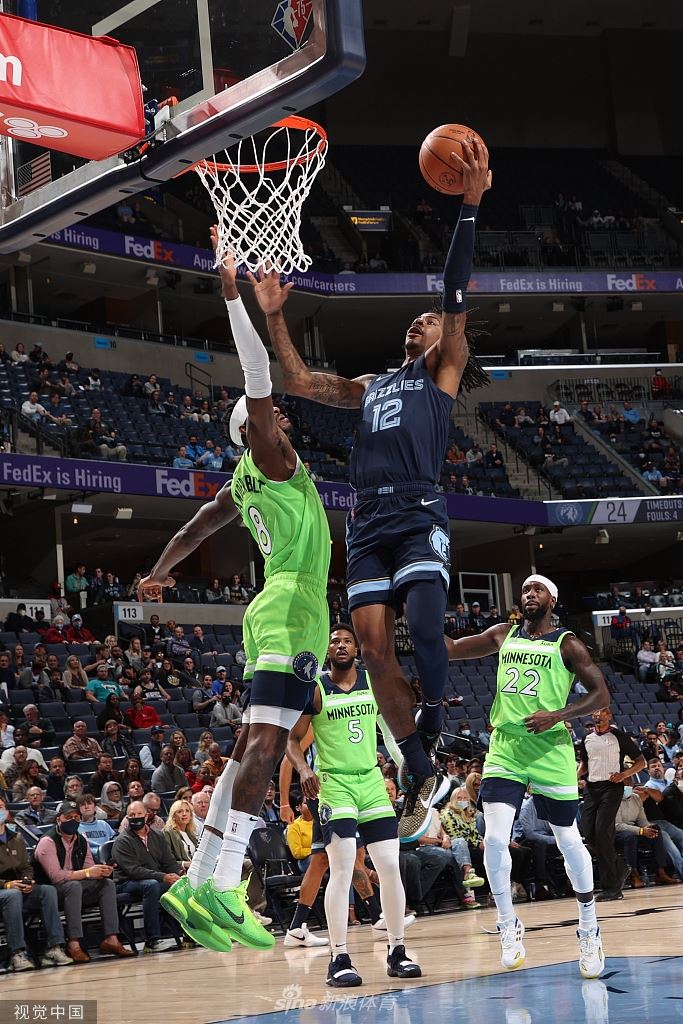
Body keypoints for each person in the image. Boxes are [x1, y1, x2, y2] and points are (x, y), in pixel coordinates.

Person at [250, 140, 491, 844]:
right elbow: (299, 382)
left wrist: (470, 204)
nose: (419, 322)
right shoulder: (372, 385)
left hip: (417, 507)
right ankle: (420, 763)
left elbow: (454, 290)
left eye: (429, 320)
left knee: (425, 627)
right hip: (368, 521)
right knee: (374, 649)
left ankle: (435, 722)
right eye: (414, 320)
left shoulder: (443, 370)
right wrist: (274, 314)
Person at [138, 228, 332, 954]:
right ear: (253, 431)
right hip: (292, 605)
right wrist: (232, 298)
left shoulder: (240, 485)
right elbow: (256, 370)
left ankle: (200, 881)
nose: (282, 419)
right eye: (269, 417)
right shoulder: (271, 458)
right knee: (267, 744)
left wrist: (160, 571)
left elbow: (193, 528)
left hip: (275, 607)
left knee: (251, 744)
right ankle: (222, 882)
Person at [445, 574, 611, 978]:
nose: (529, 594)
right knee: (495, 838)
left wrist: (558, 714)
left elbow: (601, 694)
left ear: (552, 599)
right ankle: (508, 924)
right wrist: (419, 611)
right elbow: (449, 649)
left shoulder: (567, 644)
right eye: (524, 590)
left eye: (537, 589)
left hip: (550, 747)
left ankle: (589, 928)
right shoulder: (503, 634)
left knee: (569, 840)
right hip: (506, 747)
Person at [285, 625, 421, 986]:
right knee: (342, 867)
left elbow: (389, 732)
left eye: (347, 640)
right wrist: (303, 769)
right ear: (327, 650)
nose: (341, 644)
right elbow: (292, 738)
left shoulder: (372, 683)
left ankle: (397, 951)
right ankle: (339, 958)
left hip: (372, 782)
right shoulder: (316, 688)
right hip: (334, 785)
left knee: (389, 866)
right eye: (334, 641)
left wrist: (406, 766)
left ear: (356, 649)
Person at [34, 800, 134, 962]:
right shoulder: (48, 841)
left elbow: (89, 868)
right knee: (73, 886)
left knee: (106, 884)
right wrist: (87, 873)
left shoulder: (81, 840)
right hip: (49, 891)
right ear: (59, 819)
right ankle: (73, 943)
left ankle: (111, 938)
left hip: (75, 888)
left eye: (76, 817)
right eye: (68, 817)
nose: (73, 820)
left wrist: (101, 872)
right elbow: (56, 877)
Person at [577, 708, 646, 900]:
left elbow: (641, 762)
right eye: (594, 712)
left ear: (609, 715)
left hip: (611, 787)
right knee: (589, 834)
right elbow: (584, 764)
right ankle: (620, 867)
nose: (597, 715)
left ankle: (612, 888)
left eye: (601, 712)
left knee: (602, 833)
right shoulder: (586, 738)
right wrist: (575, 776)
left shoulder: (619, 736)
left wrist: (624, 775)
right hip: (591, 788)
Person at [0, 794, 73, 971]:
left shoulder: (16, 837)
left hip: (17, 887)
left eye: (0, 806)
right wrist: (6, 884)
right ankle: (17, 953)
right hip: (5, 890)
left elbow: (26, 866)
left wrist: (28, 880)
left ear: (6, 811)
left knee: (47, 891)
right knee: (12, 895)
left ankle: (54, 947)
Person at [112, 801, 182, 953]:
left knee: (181, 884)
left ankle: (190, 934)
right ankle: (152, 940)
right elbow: (134, 871)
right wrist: (163, 876)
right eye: (132, 815)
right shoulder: (122, 841)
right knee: (151, 885)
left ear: (146, 816)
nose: (135, 817)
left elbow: (168, 861)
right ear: (127, 818)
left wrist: (180, 874)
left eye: (139, 814)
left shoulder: (158, 836)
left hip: (154, 879)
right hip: (127, 882)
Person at [162, 800, 199, 871]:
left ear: (191, 816)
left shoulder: (191, 834)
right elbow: (165, 860)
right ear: (173, 816)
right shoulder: (167, 832)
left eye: (187, 811)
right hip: (180, 871)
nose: (184, 814)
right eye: (180, 811)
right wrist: (184, 864)